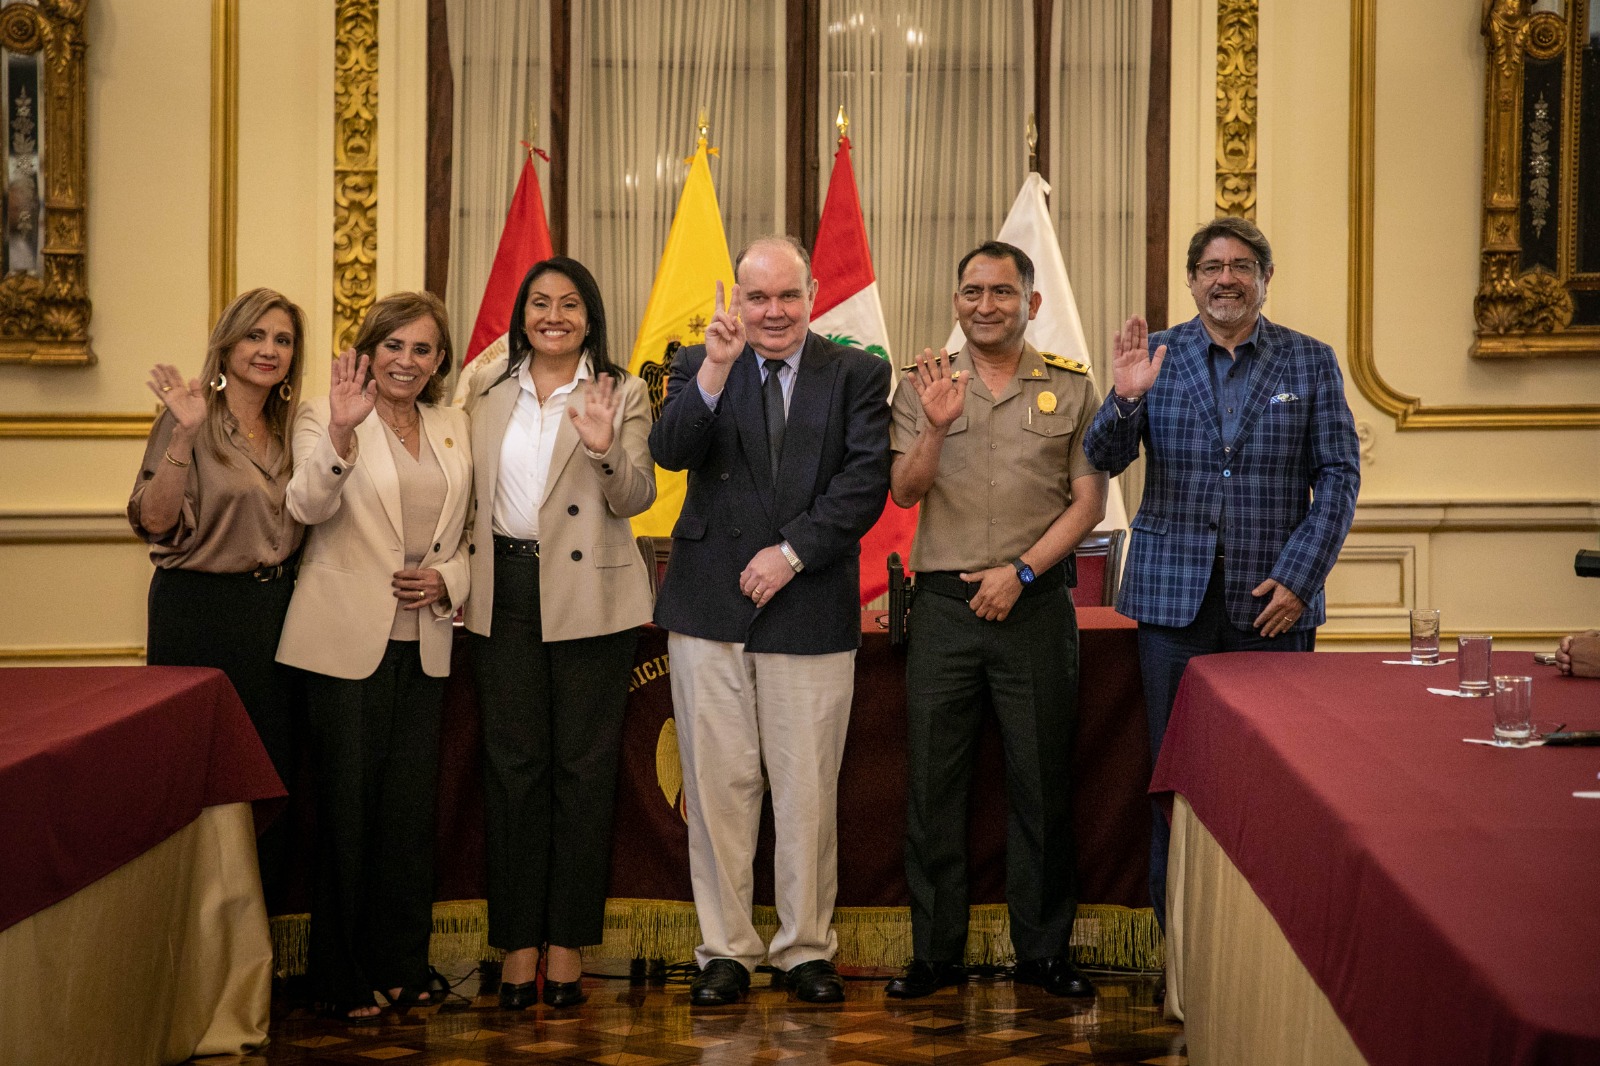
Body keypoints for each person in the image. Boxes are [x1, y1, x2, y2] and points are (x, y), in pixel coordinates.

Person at [1082, 216, 1361, 935]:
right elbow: (1102, 458)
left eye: (1241, 266)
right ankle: (1178, 945)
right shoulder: (1158, 355)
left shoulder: (1310, 362)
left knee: (1275, 782)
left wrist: (1299, 580)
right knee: (1176, 778)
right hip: (1173, 604)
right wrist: (1126, 399)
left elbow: (1338, 478)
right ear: (1191, 280)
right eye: (1211, 267)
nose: (1225, 278)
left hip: (1274, 606)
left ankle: (1267, 942)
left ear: (1266, 280)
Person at [649, 235, 891, 1006]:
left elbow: (864, 484)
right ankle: (724, 950)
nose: (774, 311)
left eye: (788, 296)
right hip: (708, 607)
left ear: (813, 296)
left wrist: (790, 554)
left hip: (810, 604)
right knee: (719, 790)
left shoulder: (856, 371)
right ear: (737, 301)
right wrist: (715, 370)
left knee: (806, 789)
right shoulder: (696, 363)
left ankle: (804, 949)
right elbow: (670, 450)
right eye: (758, 298)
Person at [883, 241, 1107, 1000]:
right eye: (972, 291)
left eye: (1002, 292)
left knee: (1041, 786)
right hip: (944, 610)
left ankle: (1044, 953)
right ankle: (935, 956)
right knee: (934, 790)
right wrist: (938, 425)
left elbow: (1089, 504)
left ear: (1031, 304)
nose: (986, 305)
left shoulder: (1073, 390)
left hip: (1035, 606)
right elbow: (905, 493)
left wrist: (1020, 574)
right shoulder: (923, 388)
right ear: (956, 301)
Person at [462, 257, 657, 1010]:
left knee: (582, 771)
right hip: (501, 590)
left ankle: (569, 942)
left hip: (589, 596)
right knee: (514, 770)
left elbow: (636, 493)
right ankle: (517, 943)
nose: (553, 316)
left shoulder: (623, 390)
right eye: (539, 303)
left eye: (569, 304)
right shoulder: (484, 387)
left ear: (590, 316)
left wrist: (606, 446)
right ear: (521, 315)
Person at [275, 291, 473, 1019]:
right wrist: (341, 436)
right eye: (393, 346)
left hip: (424, 642)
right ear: (369, 350)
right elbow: (305, 506)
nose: (407, 362)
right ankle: (339, 975)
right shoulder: (322, 417)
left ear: (439, 361)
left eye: (422, 350)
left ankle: (402, 968)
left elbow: (472, 536)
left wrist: (449, 579)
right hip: (340, 645)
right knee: (347, 817)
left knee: (406, 818)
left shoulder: (454, 424)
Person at [128, 287, 308, 912]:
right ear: (227, 345)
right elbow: (154, 522)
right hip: (199, 614)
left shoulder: (294, 429)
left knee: (271, 776)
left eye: (282, 340)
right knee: (204, 778)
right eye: (255, 336)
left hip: (277, 617)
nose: (269, 350)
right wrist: (183, 437)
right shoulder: (189, 417)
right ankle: (203, 941)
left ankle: (268, 945)